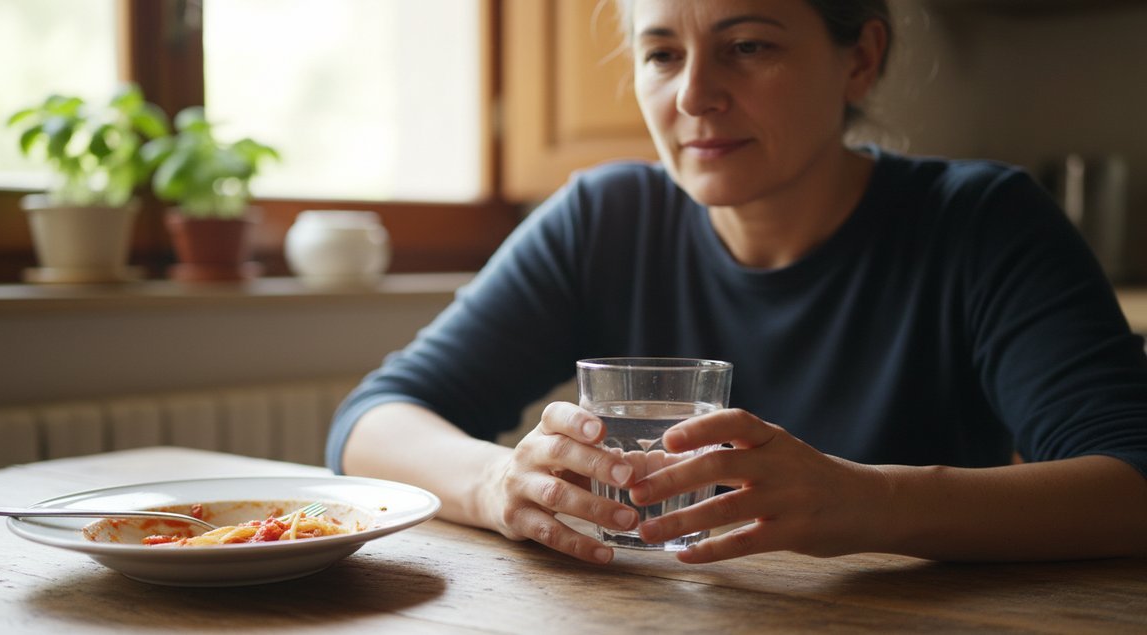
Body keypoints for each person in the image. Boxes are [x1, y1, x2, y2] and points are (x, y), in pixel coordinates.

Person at [326, 0, 1147, 565]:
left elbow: (1132, 481)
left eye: (748, 46)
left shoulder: (981, 222)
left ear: (861, 59)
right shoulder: (605, 217)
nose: (694, 95)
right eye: (661, 54)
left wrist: (866, 501)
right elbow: (374, 419)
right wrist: (496, 481)